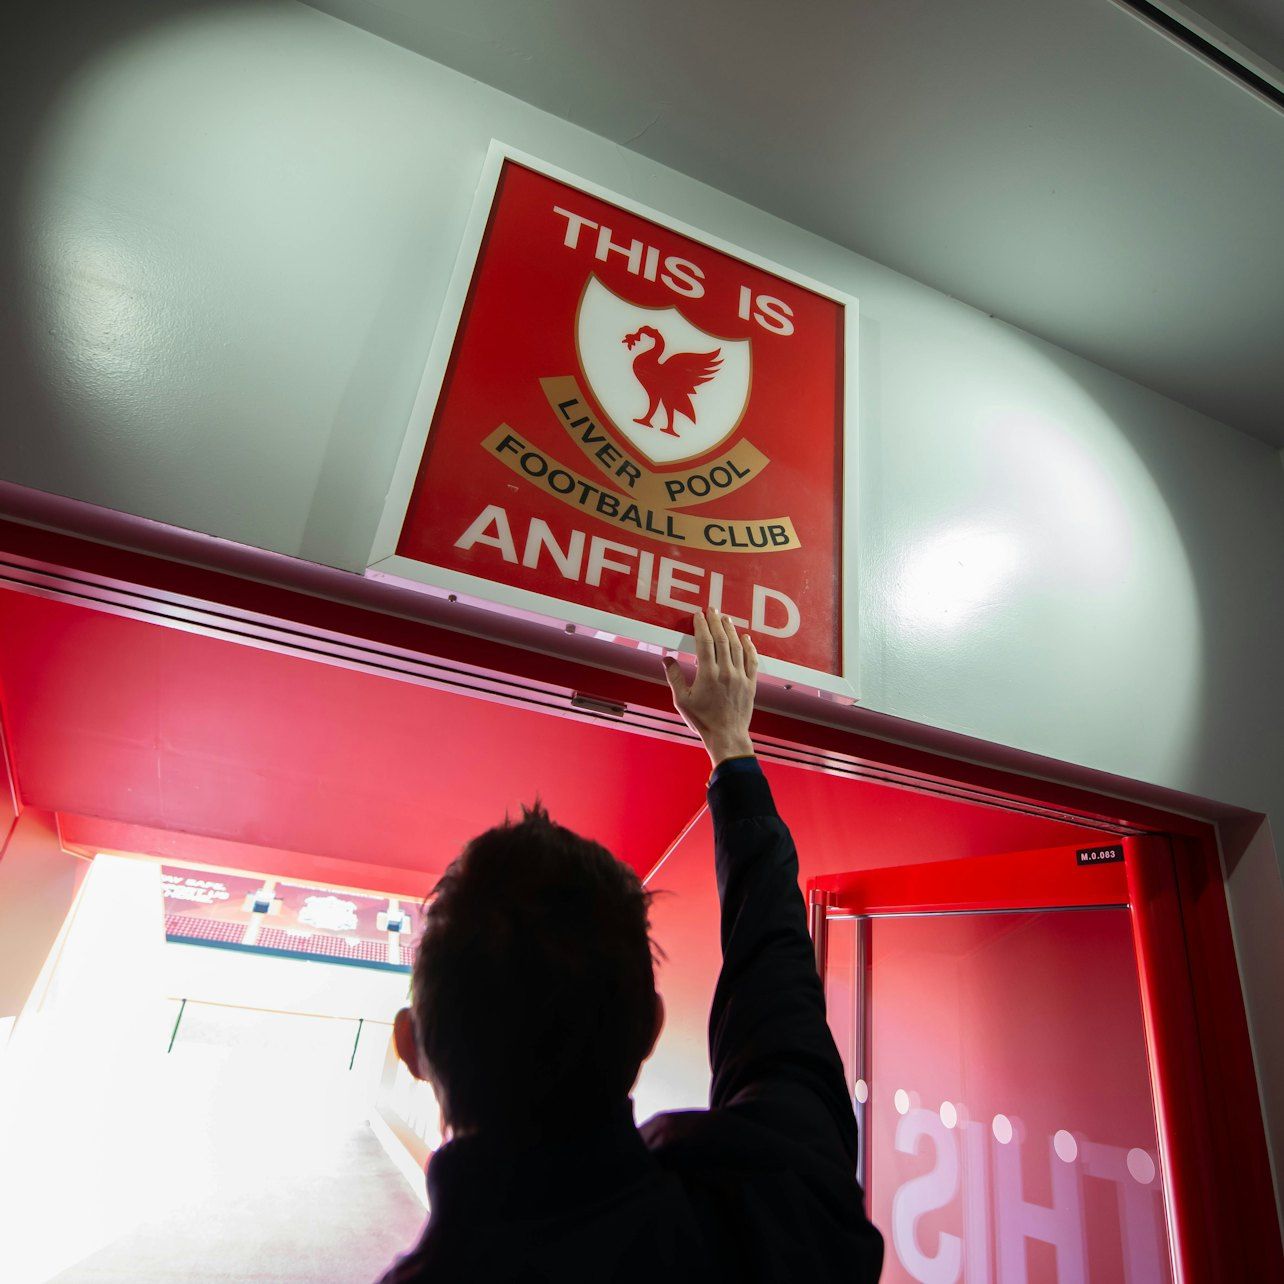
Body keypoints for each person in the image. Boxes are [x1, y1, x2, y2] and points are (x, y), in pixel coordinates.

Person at [379, 608, 884, 1282]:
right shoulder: (771, 1220)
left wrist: (733, 751)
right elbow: (777, 995)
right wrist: (730, 743)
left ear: (411, 1044)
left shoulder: (777, 1212)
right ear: (649, 1026)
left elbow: (777, 1007)